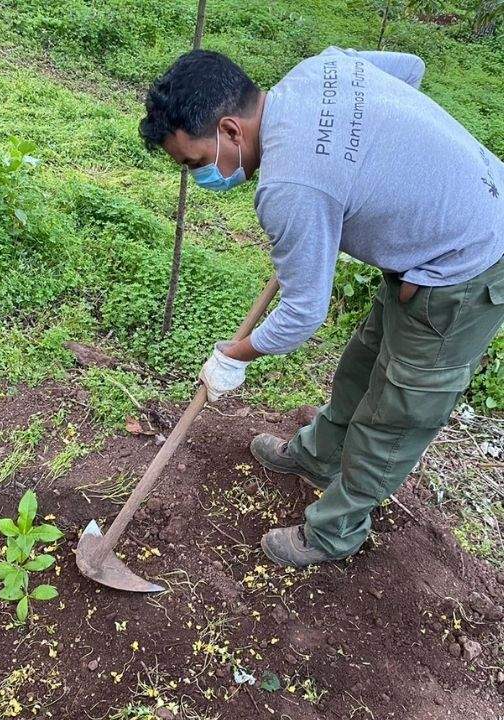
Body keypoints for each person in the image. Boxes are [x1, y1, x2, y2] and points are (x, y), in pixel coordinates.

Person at [140, 47, 504, 568]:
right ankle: (316, 457)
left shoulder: (290, 187)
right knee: (361, 365)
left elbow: (304, 313)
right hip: (427, 246)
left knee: (396, 412)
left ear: (230, 130)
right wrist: (359, 169)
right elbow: (412, 69)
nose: (199, 176)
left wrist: (236, 354)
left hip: (467, 262)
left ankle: (335, 533)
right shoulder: (319, 69)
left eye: (197, 163)